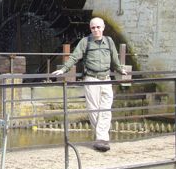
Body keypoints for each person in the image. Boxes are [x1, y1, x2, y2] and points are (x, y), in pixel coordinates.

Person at [53, 17, 127, 152]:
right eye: (93, 28)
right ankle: (102, 139)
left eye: (98, 27)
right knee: (94, 110)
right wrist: (64, 69)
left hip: (106, 79)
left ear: (103, 28)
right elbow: (75, 57)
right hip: (91, 79)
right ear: (90, 29)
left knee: (106, 109)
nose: (96, 30)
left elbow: (114, 58)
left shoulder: (109, 41)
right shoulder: (85, 41)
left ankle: (101, 138)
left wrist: (120, 69)